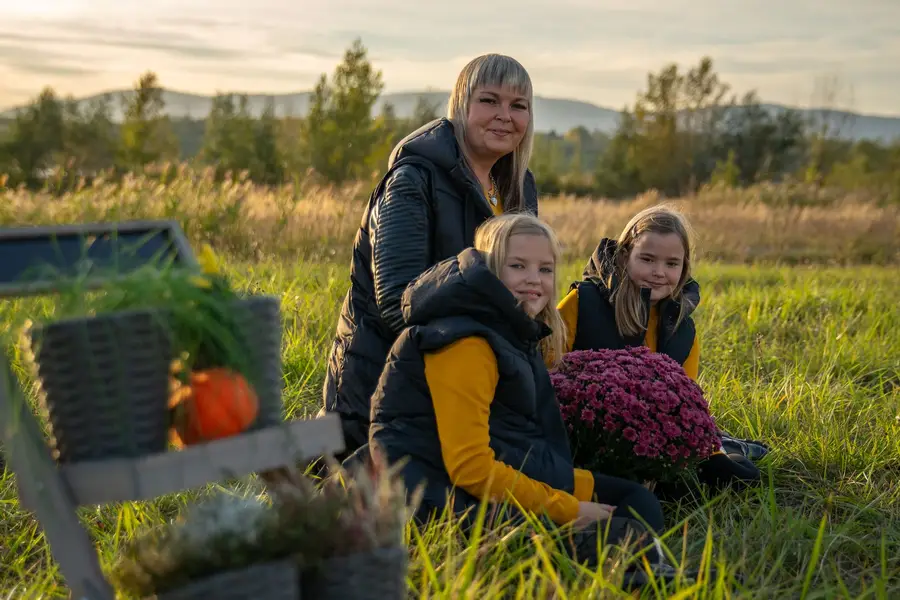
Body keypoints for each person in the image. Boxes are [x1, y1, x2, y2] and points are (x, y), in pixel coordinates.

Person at [368, 213, 680, 581]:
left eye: (545, 269)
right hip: (437, 495)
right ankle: (639, 576)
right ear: (488, 269)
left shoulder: (510, 329)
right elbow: (469, 467)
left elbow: (511, 434)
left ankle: (641, 567)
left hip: (505, 465)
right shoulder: (464, 343)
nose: (534, 279)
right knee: (610, 534)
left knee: (637, 502)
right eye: (518, 266)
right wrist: (568, 509)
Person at [322, 54, 540, 461]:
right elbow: (395, 303)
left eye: (518, 105)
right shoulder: (412, 179)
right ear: (460, 105)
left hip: (472, 382)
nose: (504, 116)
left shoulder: (516, 188)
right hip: (384, 386)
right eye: (489, 101)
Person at [557, 204, 766, 497]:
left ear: (684, 268)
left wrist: (713, 457)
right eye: (647, 259)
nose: (659, 273)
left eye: (671, 264)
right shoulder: (582, 303)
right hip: (577, 438)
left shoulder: (683, 332)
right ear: (624, 255)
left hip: (647, 447)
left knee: (725, 480)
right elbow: (543, 372)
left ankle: (725, 448)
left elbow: (686, 403)